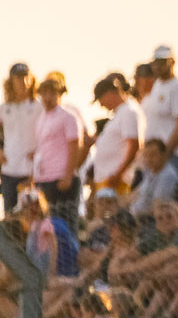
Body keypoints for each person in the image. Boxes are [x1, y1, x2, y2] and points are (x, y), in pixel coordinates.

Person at [31, 72, 87, 230]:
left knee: (65, 225)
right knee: (47, 225)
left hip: (62, 178)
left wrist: (68, 175)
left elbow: (75, 145)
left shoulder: (68, 117)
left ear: (60, 94)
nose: (47, 97)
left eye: (52, 93)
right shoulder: (42, 117)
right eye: (44, 93)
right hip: (44, 179)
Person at [87, 74, 143, 194]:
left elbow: (134, 145)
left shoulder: (128, 111)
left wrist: (119, 173)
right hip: (108, 179)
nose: (101, 104)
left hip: (117, 181)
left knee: (113, 212)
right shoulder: (120, 113)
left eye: (101, 99)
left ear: (110, 93)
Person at [144, 46, 178, 175]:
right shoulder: (157, 85)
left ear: (172, 62)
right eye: (155, 63)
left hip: (174, 155)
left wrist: (165, 153)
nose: (158, 66)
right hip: (156, 158)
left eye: (162, 62)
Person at [2, 63, 42, 213]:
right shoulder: (4, 108)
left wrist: (39, 151)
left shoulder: (39, 106)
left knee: (31, 213)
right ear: (11, 81)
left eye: (26, 77)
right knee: (9, 213)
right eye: (18, 78)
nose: (23, 82)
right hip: (9, 169)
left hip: (32, 170)